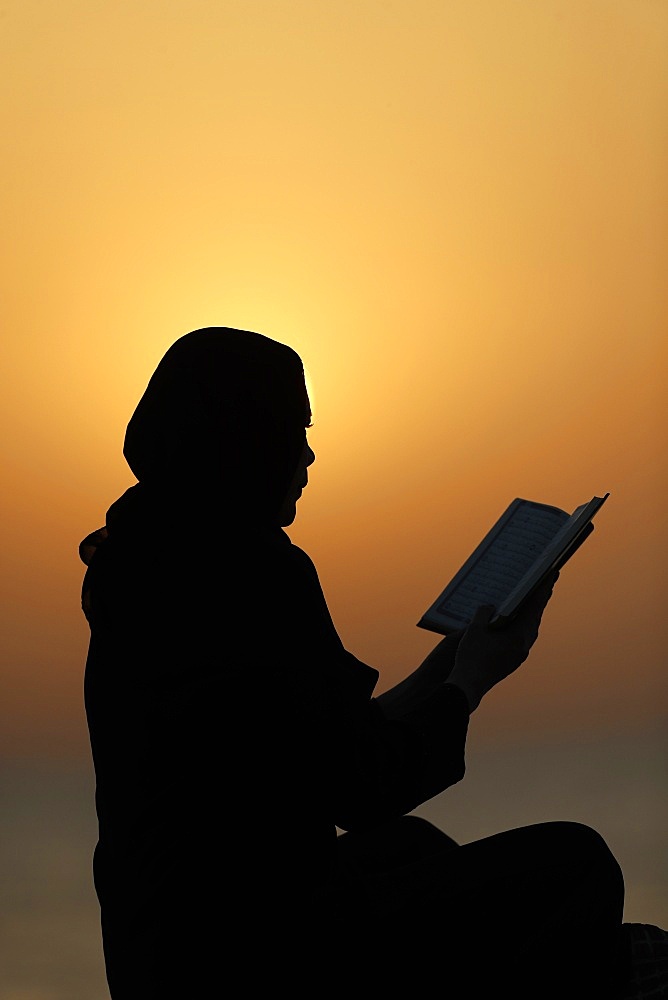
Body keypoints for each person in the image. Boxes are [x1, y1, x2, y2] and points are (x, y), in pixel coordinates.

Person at [80, 326, 666, 999]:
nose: (308, 453)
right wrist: (471, 683)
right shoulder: (254, 573)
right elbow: (363, 786)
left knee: (408, 847)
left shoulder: (143, 559)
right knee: (577, 863)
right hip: (263, 956)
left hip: (163, 952)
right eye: (292, 429)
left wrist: (447, 668)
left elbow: (320, 747)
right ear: (242, 441)